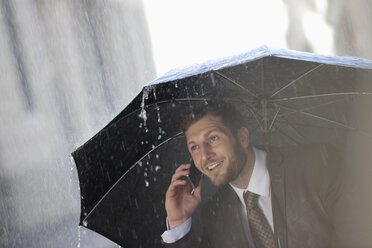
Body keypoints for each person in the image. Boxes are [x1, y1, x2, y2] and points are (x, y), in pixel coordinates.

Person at [161, 100, 343, 248]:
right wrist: (179, 222)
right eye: (194, 147)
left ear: (242, 137)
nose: (205, 155)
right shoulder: (214, 215)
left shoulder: (316, 165)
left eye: (213, 138)